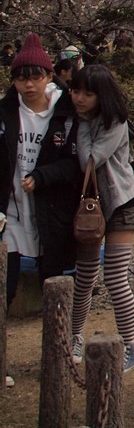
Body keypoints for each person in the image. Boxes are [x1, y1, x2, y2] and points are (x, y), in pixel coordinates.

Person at [66, 64, 134, 372]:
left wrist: (82, 126)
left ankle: (129, 346)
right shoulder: (75, 117)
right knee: (83, 277)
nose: (79, 98)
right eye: (75, 91)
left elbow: (90, 160)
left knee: (114, 277)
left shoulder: (115, 122)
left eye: (87, 93)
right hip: (89, 209)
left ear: (102, 95)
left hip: (121, 203)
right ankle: (73, 337)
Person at [1, 33, 81, 308]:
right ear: (14, 81)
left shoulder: (67, 113)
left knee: (55, 288)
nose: (29, 84)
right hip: (11, 212)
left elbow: (75, 163)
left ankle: (59, 347)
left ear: (49, 76)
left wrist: (42, 176)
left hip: (53, 211)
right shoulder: (6, 114)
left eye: (36, 77)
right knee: (4, 283)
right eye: (22, 78)